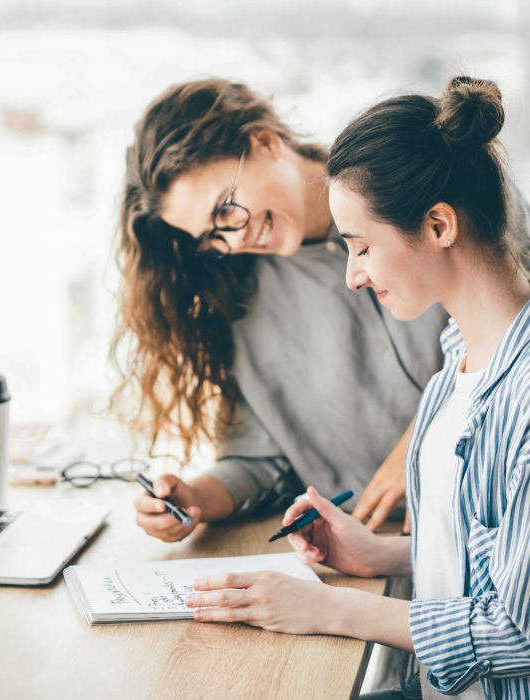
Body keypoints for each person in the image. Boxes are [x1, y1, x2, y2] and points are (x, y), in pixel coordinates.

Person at [185, 77, 530, 700]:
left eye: (363, 247)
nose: (353, 276)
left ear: (438, 224)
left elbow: (520, 628)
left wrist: (331, 611)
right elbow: (496, 559)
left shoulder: (521, 393)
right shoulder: (460, 359)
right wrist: (380, 556)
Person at [113, 78, 448, 543]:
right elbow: (263, 461)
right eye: (212, 238)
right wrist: (193, 499)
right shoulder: (240, 298)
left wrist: (422, 442)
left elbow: (513, 331)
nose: (234, 241)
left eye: (225, 210)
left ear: (266, 142)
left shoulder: (417, 177)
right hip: (372, 553)